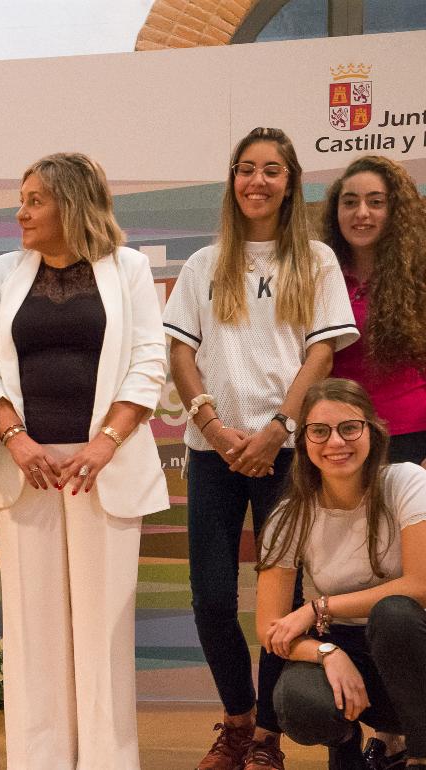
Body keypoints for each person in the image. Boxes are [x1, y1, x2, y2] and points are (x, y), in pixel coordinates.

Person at [162, 127, 359, 770]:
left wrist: (280, 426)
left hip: (287, 455)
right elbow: (181, 352)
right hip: (213, 450)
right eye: (246, 169)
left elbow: (321, 351)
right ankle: (238, 722)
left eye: (272, 170)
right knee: (212, 597)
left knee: (281, 598)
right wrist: (213, 427)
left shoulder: (316, 261)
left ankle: (270, 736)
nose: (257, 181)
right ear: (232, 180)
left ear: (290, 181)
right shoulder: (202, 264)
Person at [0, 152, 169, 770]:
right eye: (21, 198)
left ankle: (110, 761)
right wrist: (16, 439)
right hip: (24, 468)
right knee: (32, 629)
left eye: (34, 200)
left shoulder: (129, 268)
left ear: (72, 205)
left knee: (105, 630)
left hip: (103, 469)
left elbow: (148, 362)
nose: (20, 212)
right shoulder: (5, 271)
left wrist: (106, 442)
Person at [255, 378, 426, 770]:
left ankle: (419, 753)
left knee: (394, 613)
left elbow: (420, 586)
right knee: (298, 702)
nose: (336, 442)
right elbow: (269, 628)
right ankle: (347, 748)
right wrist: (327, 652)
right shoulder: (290, 515)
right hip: (348, 643)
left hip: (413, 646)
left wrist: (318, 607)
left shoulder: (406, 482)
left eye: (350, 427)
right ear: (303, 443)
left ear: (372, 431)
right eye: (320, 431)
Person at [322, 156, 426, 467]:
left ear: (395, 211)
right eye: (350, 202)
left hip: (411, 440)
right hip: (338, 442)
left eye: (376, 202)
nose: (362, 213)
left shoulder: (419, 277)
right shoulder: (321, 276)